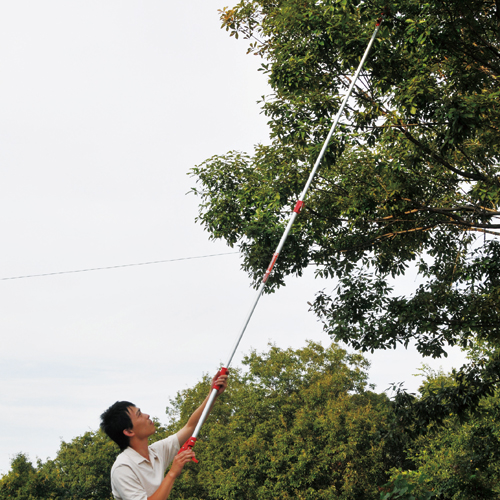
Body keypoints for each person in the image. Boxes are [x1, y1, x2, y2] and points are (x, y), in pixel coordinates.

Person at [100, 372, 228, 500]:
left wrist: (212, 395)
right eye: (139, 414)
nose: (147, 415)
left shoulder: (155, 452)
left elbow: (191, 426)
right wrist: (172, 473)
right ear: (129, 431)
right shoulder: (123, 468)